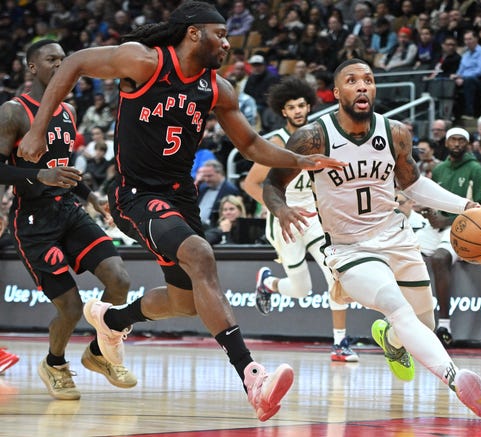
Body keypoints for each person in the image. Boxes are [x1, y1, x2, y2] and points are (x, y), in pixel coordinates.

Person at [17, 2, 344, 421]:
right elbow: (76, 63)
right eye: (219, 34)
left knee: (184, 302)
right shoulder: (144, 60)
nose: (227, 43)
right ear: (193, 33)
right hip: (136, 194)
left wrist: (298, 161)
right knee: (200, 255)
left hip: (181, 197)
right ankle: (251, 374)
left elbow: (249, 145)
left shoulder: (218, 88)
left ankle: (113, 320)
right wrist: (40, 127)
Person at [262, 59, 481, 417]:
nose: (362, 86)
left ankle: (389, 338)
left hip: (395, 237)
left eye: (368, 80)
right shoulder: (313, 137)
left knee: (424, 322)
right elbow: (272, 184)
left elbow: (413, 184)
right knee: (395, 304)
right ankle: (456, 377)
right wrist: (281, 210)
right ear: (337, 93)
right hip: (348, 246)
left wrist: (466, 205)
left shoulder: (396, 132)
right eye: (352, 81)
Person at [0, 40, 137, 400]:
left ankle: (97, 353)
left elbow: (63, 169)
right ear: (31, 67)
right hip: (33, 221)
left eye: (64, 60)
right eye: (51, 60)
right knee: (72, 308)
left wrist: (90, 195)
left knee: (120, 280)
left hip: (69, 210)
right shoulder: (14, 112)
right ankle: (54, 363)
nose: (61, 66)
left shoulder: (68, 111)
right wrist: (37, 177)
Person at [243, 77, 359, 363]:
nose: (297, 111)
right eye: (291, 107)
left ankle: (340, 343)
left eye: (301, 105)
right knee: (301, 290)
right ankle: (268, 283)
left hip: (316, 219)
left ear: (309, 106)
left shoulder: (320, 137)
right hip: (285, 220)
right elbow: (250, 184)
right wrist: (280, 209)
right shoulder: (277, 143)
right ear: (283, 112)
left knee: (336, 275)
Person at [428, 127, 481, 346]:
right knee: (402, 252)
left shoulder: (477, 169)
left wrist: (445, 221)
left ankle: (444, 325)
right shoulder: (438, 170)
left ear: (468, 144)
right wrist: (430, 214)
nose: (456, 144)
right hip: (434, 228)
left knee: (438, 258)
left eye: (461, 140)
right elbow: (432, 201)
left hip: (462, 227)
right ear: (446, 143)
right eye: (453, 140)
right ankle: (408, 323)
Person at [195, 159, 240, 230]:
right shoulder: (202, 187)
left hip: (215, 228)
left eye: (209, 176)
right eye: (205, 176)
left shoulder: (230, 190)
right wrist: (196, 182)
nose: (206, 179)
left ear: (219, 173)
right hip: (196, 226)